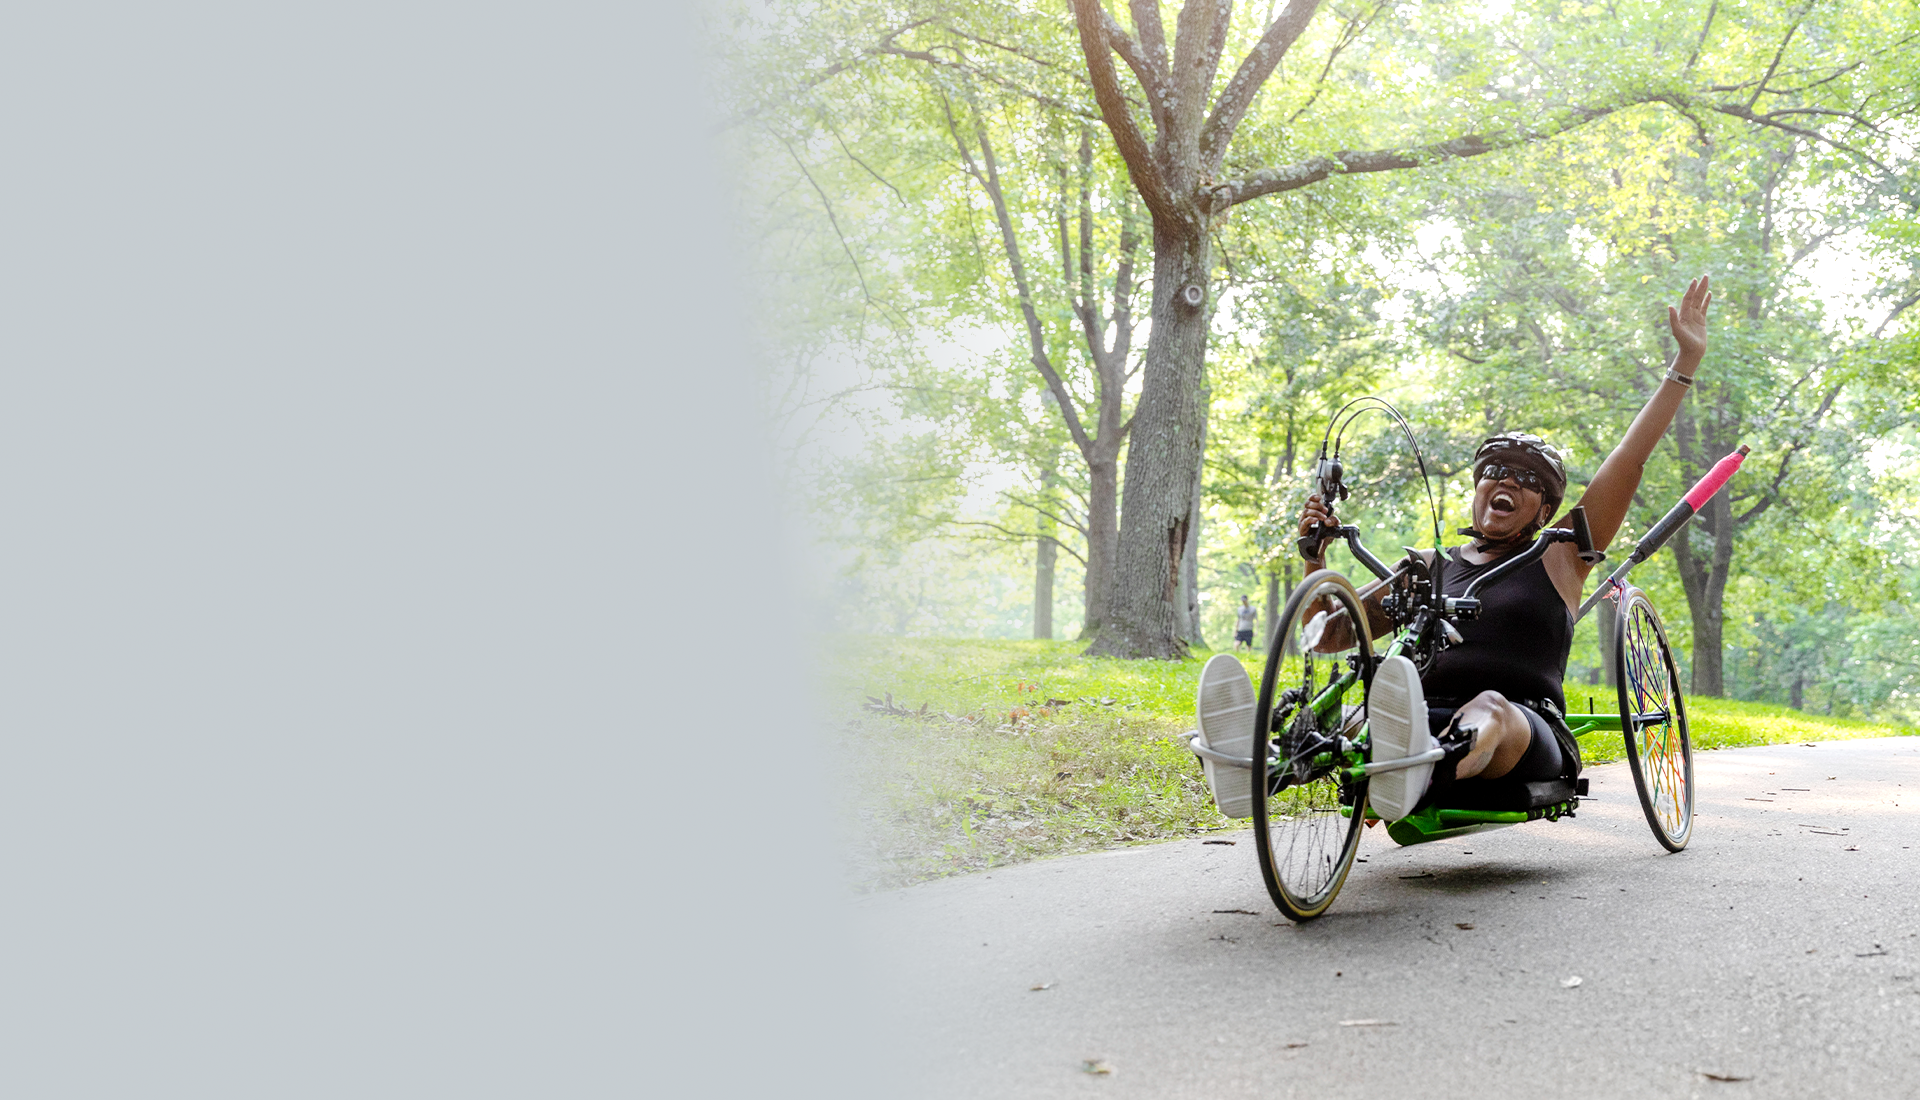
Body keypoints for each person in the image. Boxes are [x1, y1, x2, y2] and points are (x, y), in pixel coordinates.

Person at [1193, 276, 1714, 821]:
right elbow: (1331, 636)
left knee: (1489, 708)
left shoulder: (1559, 556)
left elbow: (1627, 463)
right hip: (1412, 719)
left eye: (1525, 479)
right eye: (1493, 472)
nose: (1505, 481)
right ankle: (1254, 766)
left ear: (1544, 510)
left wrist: (1684, 367)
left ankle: (1419, 771)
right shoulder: (1426, 568)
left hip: (1520, 725)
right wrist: (1314, 557)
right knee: (1347, 717)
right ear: (1476, 490)